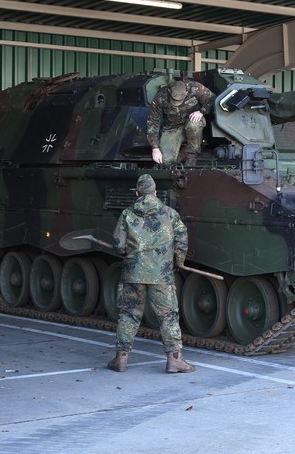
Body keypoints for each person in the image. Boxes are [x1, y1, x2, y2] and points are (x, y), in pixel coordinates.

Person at [107, 174, 194, 374]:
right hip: (161, 275)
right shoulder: (170, 214)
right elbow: (182, 239)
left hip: (133, 273)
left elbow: (118, 245)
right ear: (155, 193)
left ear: (137, 193)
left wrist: (127, 253)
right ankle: (175, 360)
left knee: (129, 315)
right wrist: (178, 262)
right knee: (168, 316)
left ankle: (121, 358)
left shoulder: (127, 214)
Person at [147, 79, 215, 167]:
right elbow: (153, 122)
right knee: (164, 161)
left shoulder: (196, 88)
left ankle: (192, 154)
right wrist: (155, 148)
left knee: (193, 125)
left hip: (191, 122)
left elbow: (212, 99)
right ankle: (185, 153)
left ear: (186, 92)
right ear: (169, 91)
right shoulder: (160, 96)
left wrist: (201, 111)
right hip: (172, 127)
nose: (177, 103)